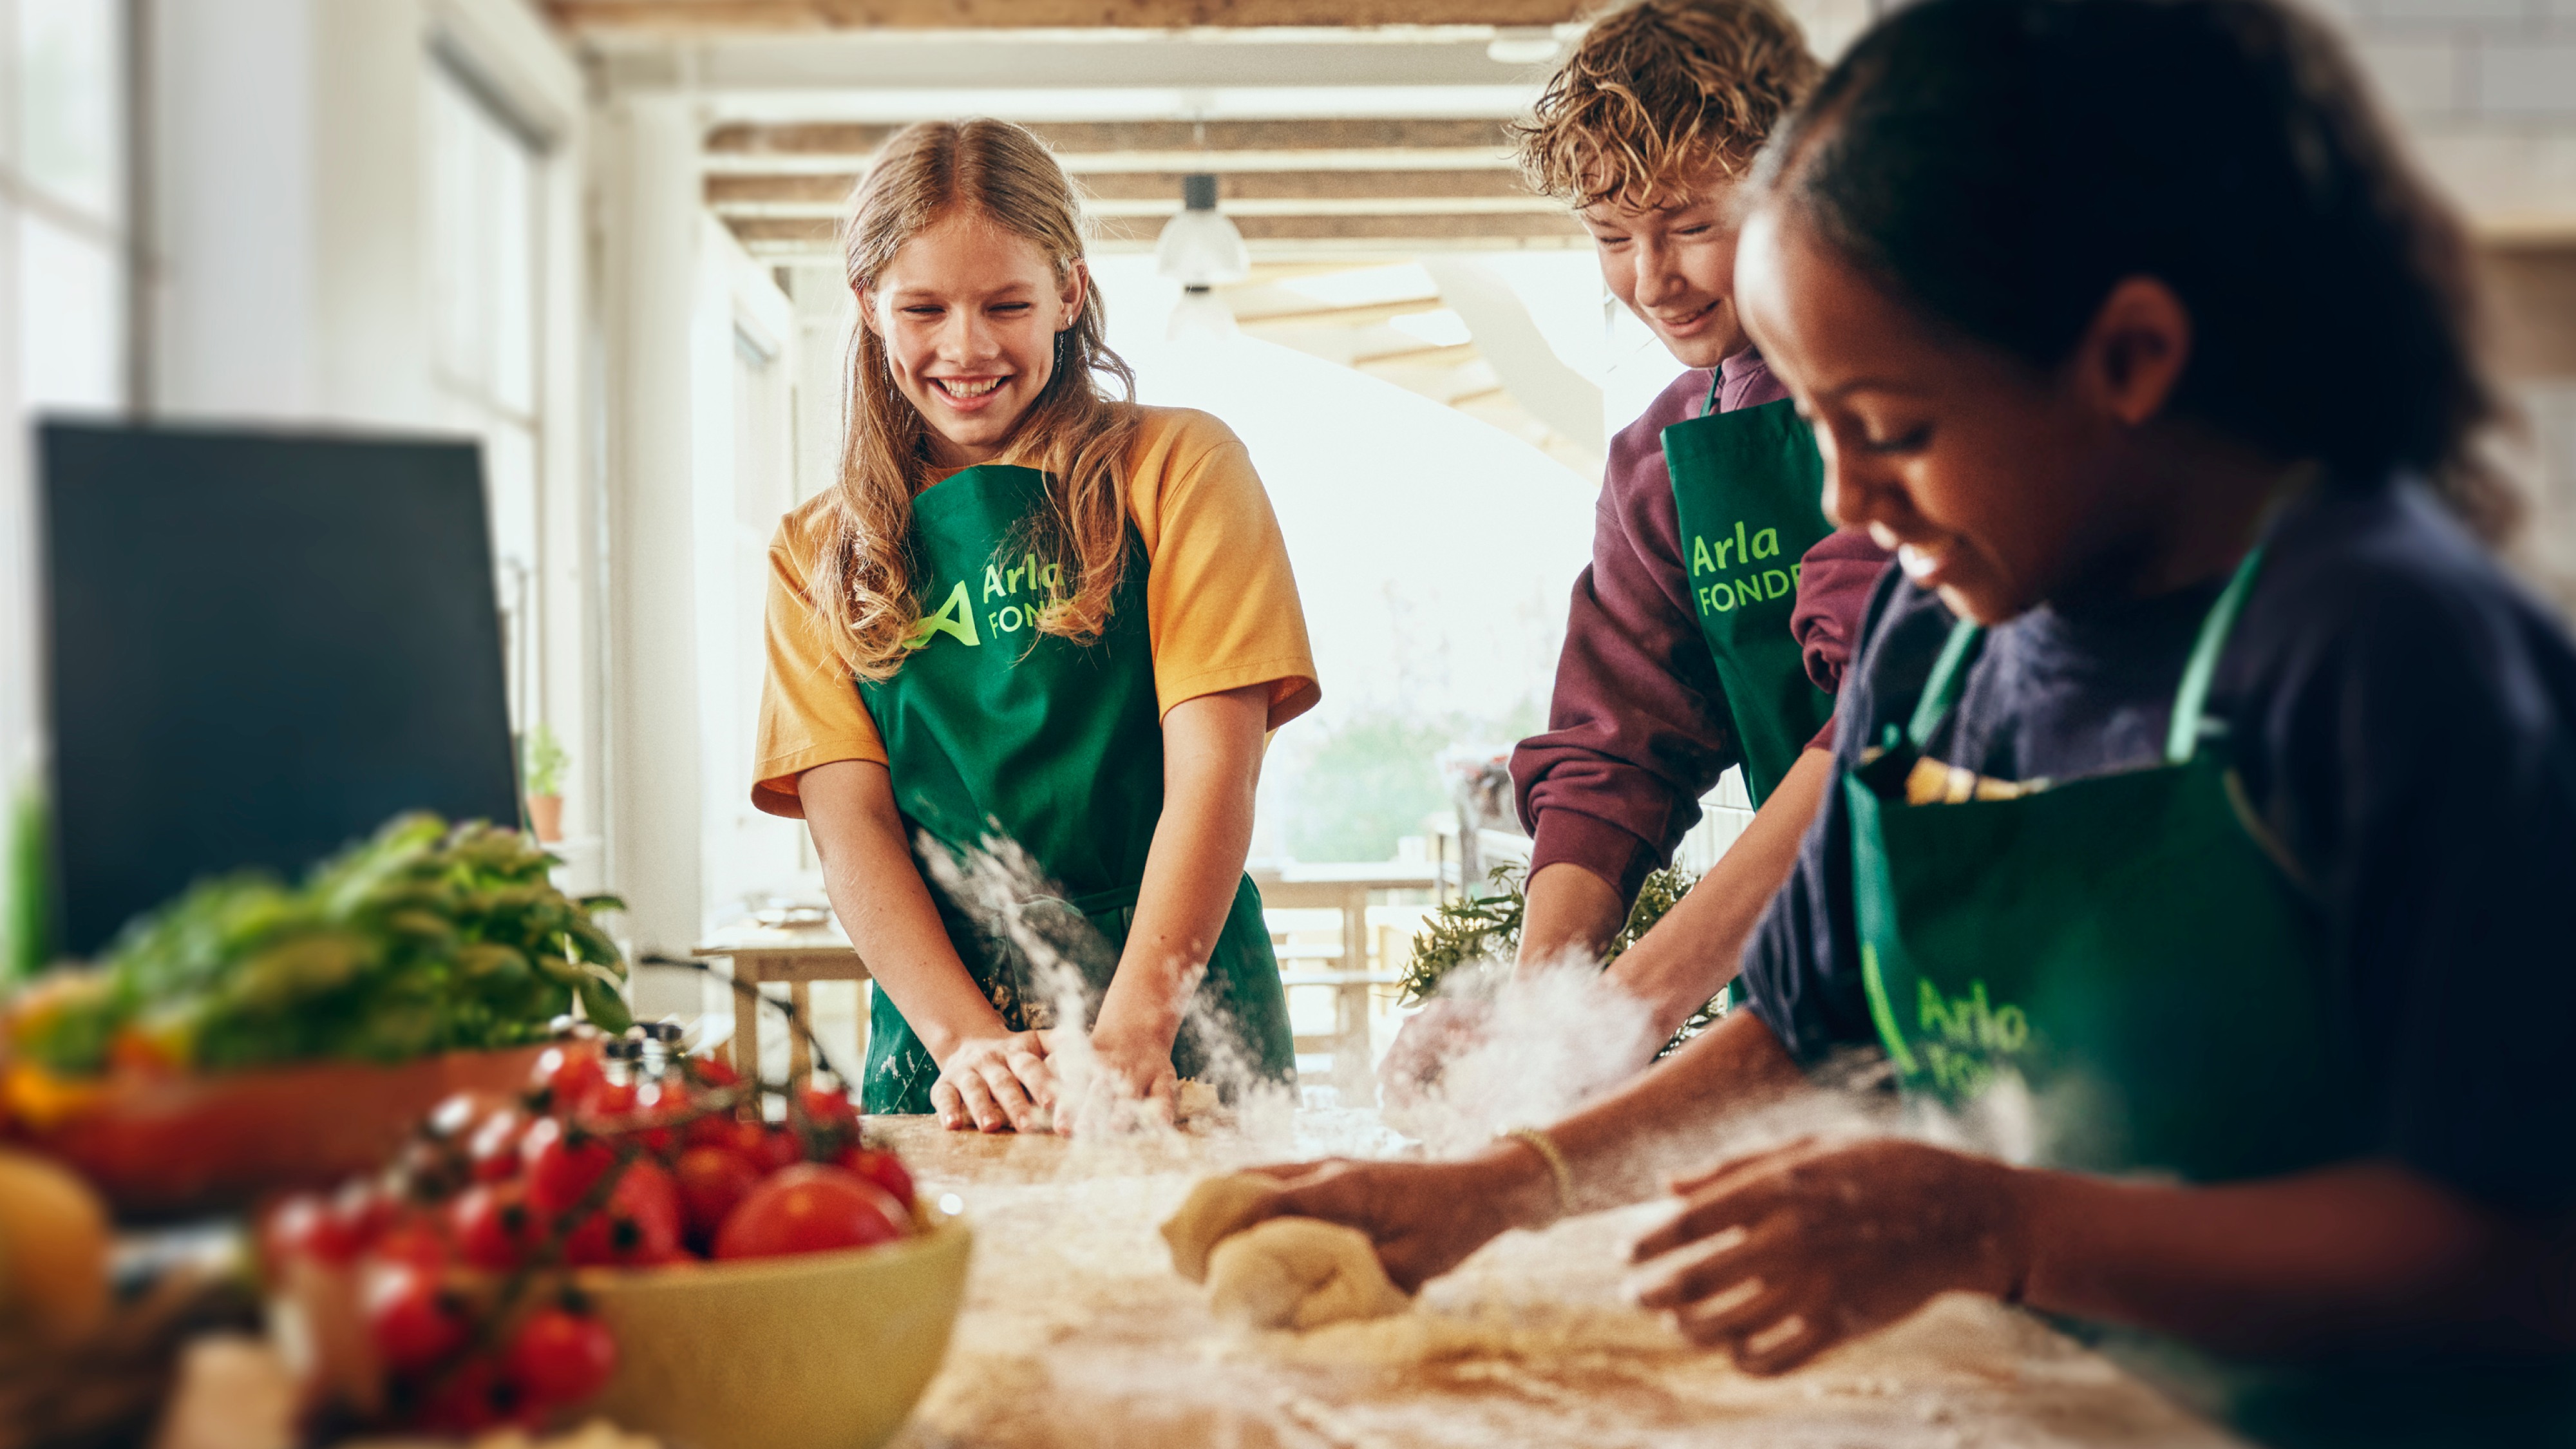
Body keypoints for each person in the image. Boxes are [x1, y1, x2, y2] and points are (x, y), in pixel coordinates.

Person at [1249, 1, 2576, 1441]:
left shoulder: (2388, 654)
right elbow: (1802, 1026)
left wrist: (2000, 1227)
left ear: (2129, 358)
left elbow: (2524, 1257)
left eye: (1886, 426)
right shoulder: (1932, 644)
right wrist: (1490, 1192)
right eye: (1813, 427)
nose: (1840, 507)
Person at [752, 120, 1318, 1135]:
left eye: (1007, 304)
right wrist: (966, 1040)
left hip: (1183, 1010)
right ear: (868, 307)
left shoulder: (1180, 470)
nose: (966, 347)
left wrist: (1139, 1025)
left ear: (1070, 289)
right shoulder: (817, 551)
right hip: (954, 1041)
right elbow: (854, 830)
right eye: (923, 308)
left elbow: (1213, 773)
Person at [1383, 0, 1891, 1099]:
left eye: (1691, 223)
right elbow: (1614, 756)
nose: (1651, 277)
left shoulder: (1913, 388)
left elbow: (1882, 722)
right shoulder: (1659, 460)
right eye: (1613, 236)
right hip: (1819, 986)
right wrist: (1542, 1008)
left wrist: (1636, 1004)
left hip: (2000, 936)